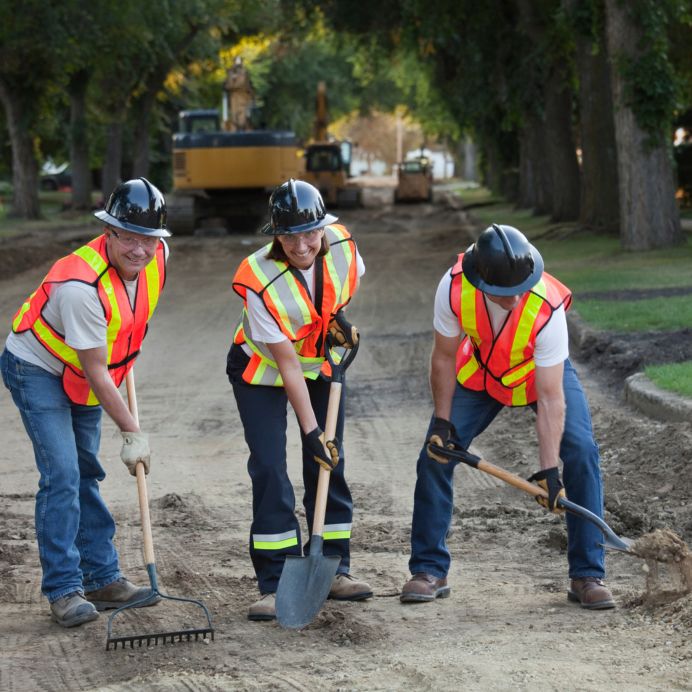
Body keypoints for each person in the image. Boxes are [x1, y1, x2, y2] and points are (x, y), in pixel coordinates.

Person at [400, 223, 615, 610]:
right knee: (434, 457)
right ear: (480, 281)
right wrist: (442, 424)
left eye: (520, 289)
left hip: (537, 377)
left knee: (581, 451)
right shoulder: (452, 288)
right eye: (504, 294)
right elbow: (444, 357)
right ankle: (428, 569)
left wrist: (550, 471)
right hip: (481, 373)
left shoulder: (546, 304)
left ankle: (588, 574)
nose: (514, 300)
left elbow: (551, 398)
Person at [1, 178, 170, 628]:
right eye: (128, 237)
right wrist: (132, 431)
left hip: (89, 371)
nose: (139, 250)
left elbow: (124, 331)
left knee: (86, 471)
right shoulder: (79, 286)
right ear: (109, 233)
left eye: (149, 239)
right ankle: (63, 588)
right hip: (38, 368)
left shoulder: (157, 260)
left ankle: (102, 577)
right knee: (63, 473)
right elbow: (95, 370)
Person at [227, 179, 373, 621]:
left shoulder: (345, 246)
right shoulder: (257, 278)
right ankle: (274, 583)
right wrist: (311, 432)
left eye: (310, 232)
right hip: (261, 372)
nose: (302, 244)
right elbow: (287, 365)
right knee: (270, 467)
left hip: (319, 363)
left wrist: (338, 319)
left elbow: (343, 288)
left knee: (330, 462)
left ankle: (335, 566)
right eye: (289, 235)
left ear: (323, 225)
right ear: (276, 234)